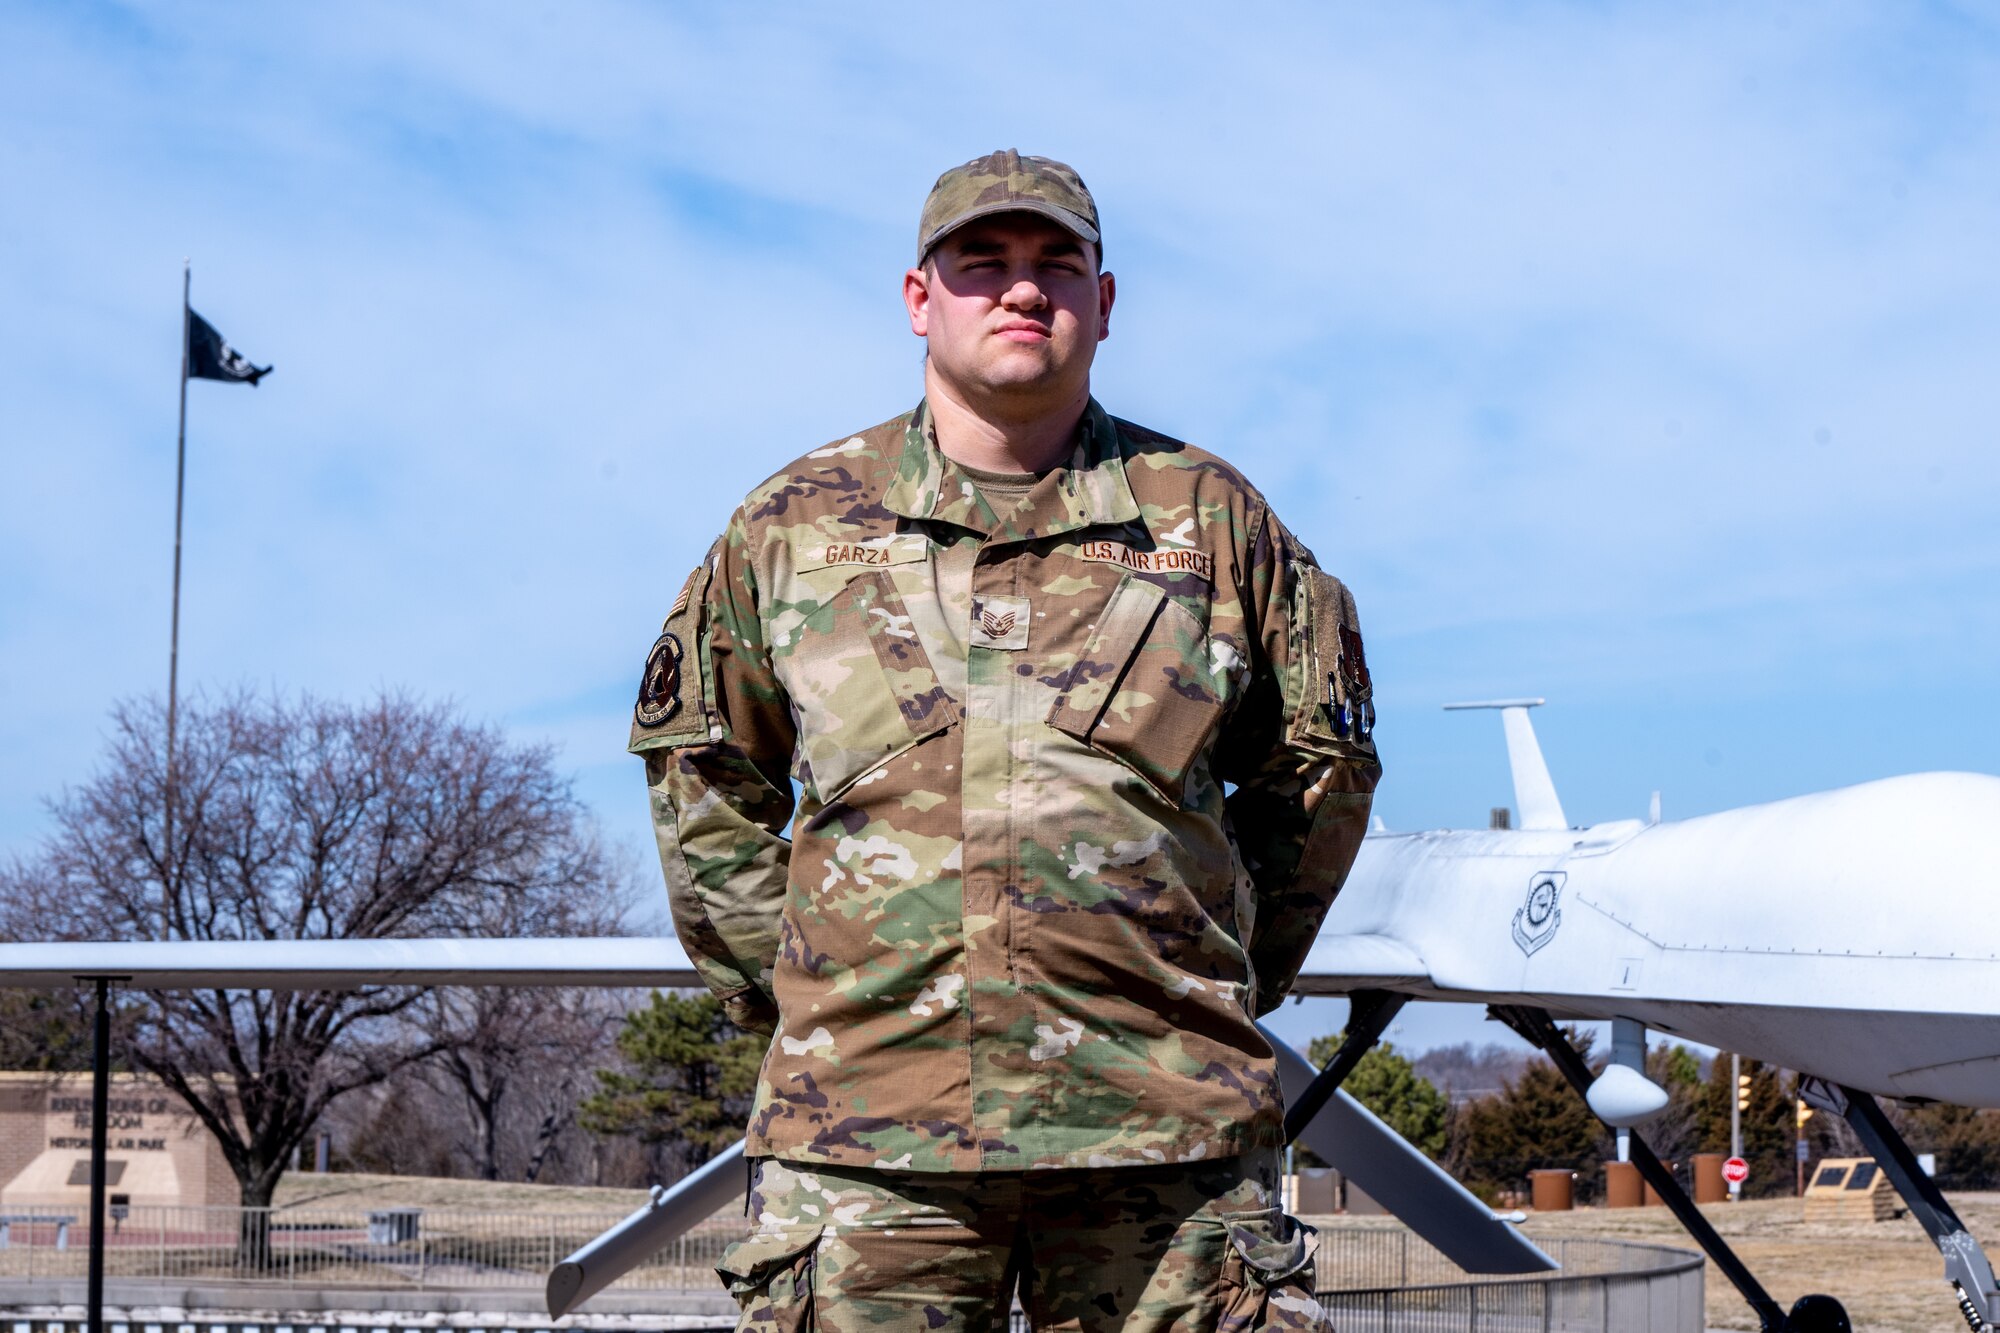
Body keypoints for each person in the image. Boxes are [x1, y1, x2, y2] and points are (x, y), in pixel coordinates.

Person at [630, 149, 1381, 1332]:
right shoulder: (791, 527)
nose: (1022, 291)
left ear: (1104, 300)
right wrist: (818, 997)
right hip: (868, 1140)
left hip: (1165, 1131)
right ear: (919, 299)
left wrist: (1201, 976)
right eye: (983, 265)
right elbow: (702, 777)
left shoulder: (1213, 521)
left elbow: (1316, 777)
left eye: (1055, 265)